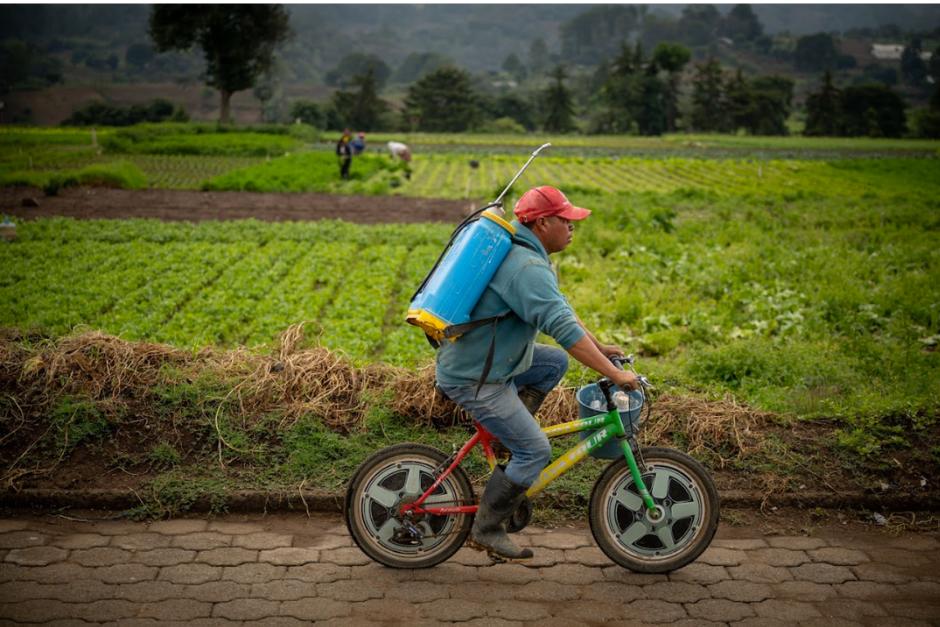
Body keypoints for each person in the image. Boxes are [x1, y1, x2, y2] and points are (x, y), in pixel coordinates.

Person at [436, 186, 640, 560]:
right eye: (566, 220)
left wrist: (600, 347)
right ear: (543, 223)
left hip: (489, 361)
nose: (573, 226)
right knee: (535, 449)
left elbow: (560, 311)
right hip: (477, 376)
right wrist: (613, 373)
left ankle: (504, 436)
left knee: (553, 363)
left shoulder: (529, 255)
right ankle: (487, 528)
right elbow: (562, 331)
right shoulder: (526, 268)